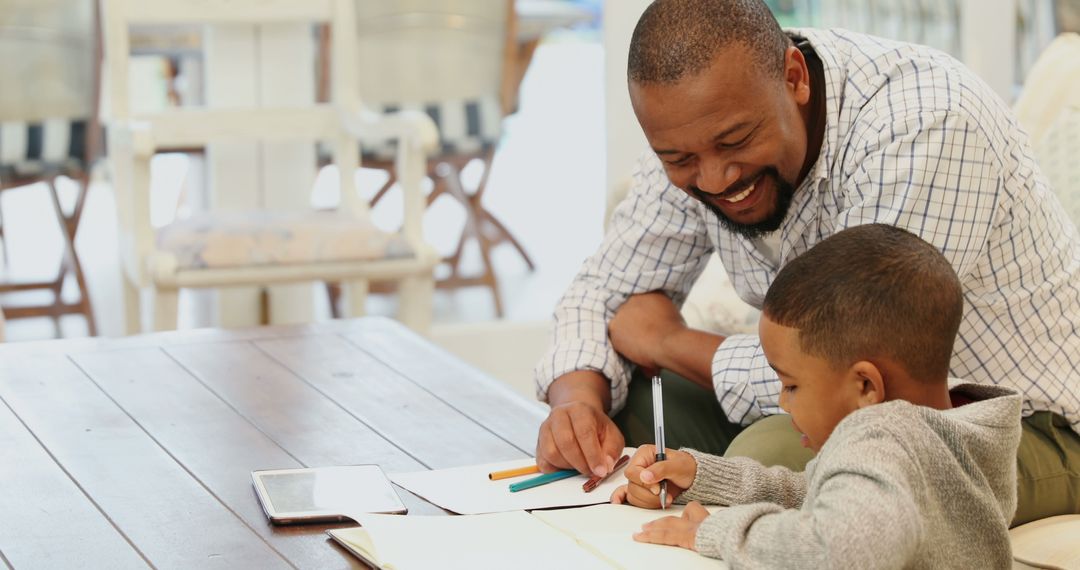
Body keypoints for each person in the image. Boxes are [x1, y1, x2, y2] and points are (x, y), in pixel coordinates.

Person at [533, 0, 1080, 525]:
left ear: (794, 77)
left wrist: (668, 342)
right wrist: (575, 404)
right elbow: (601, 291)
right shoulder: (697, 126)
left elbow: (857, 366)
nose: (717, 179)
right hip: (835, 402)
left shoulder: (926, 127)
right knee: (627, 408)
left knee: (770, 452)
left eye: (737, 141)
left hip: (1023, 424)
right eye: (679, 159)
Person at [611, 224, 1022, 567]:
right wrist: (701, 476)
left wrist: (714, 532)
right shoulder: (946, 438)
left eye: (791, 385)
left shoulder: (882, 440)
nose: (784, 402)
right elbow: (815, 493)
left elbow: (839, 547)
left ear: (865, 387)